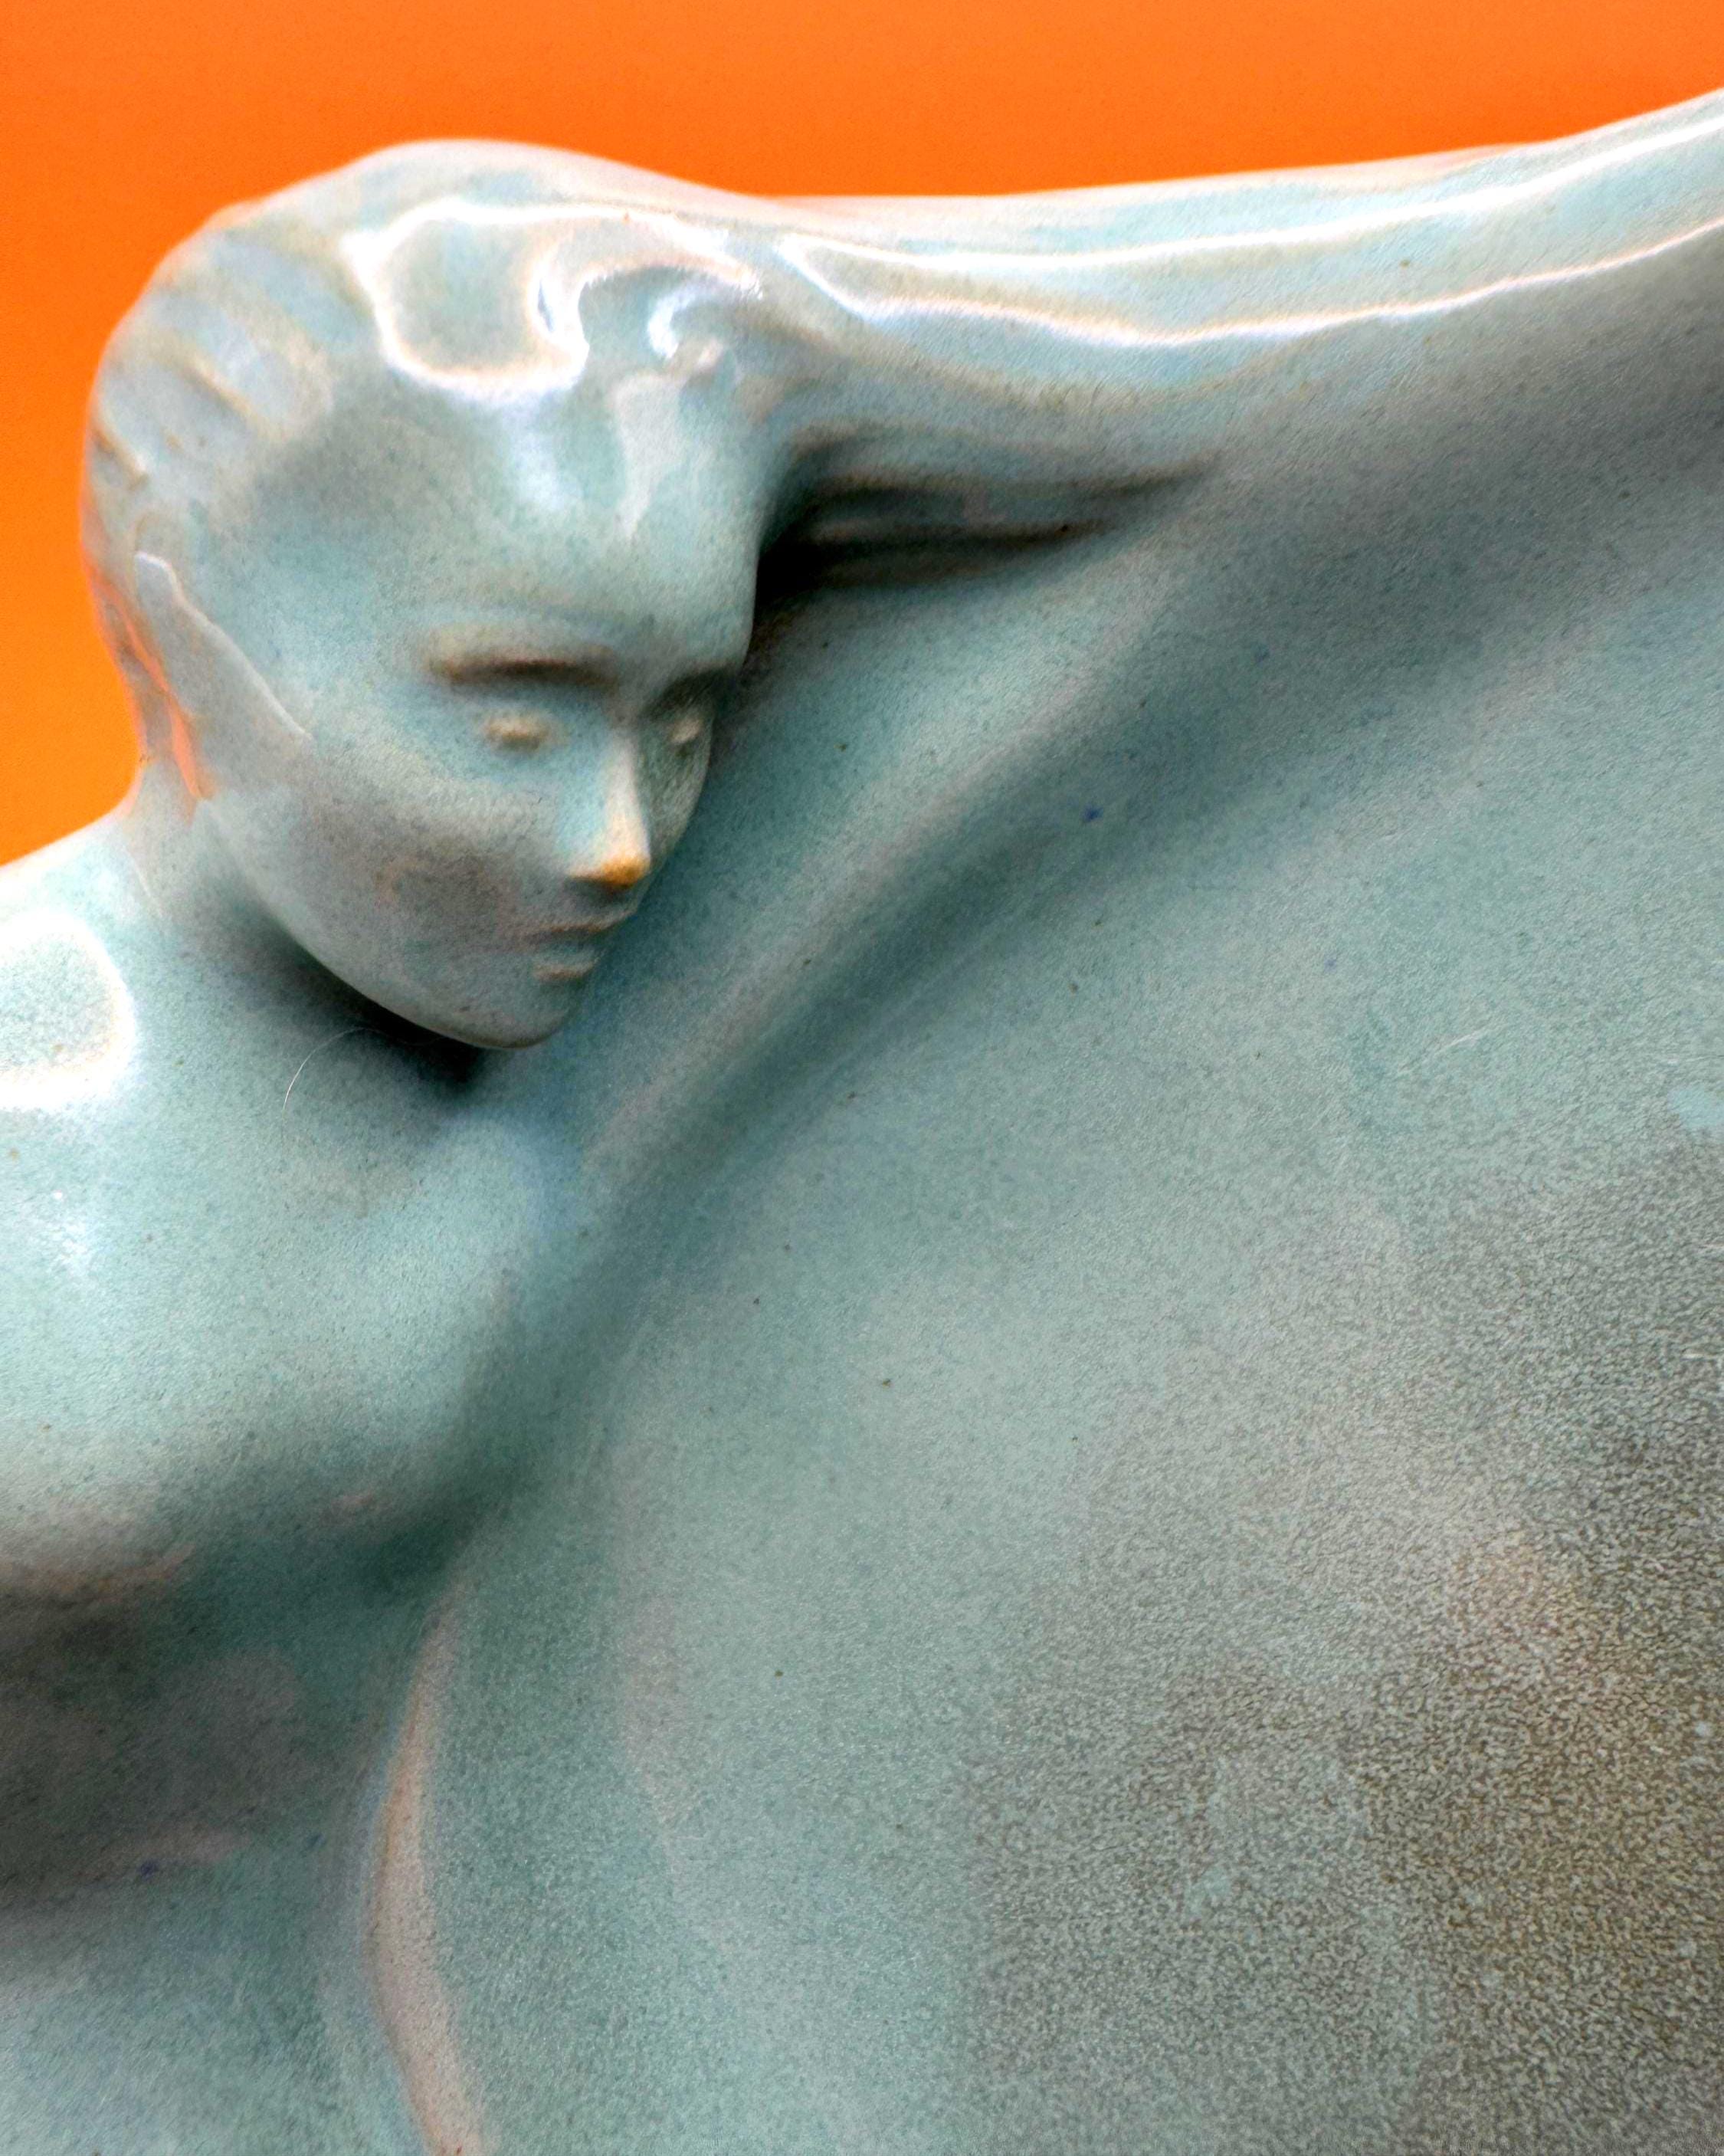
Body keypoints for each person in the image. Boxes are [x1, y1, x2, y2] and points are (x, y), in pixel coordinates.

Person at [2, 90, 1721, 2148]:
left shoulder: (636, 1050)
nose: (613, 837)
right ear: (202, 620)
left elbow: (1383, 359)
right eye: (513, 715)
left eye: (680, 717)